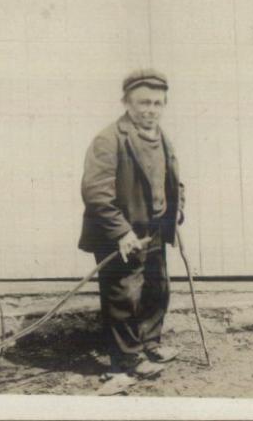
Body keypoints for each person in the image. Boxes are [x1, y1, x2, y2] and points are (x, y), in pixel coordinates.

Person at [78, 69, 185, 396]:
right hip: (121, 236)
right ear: (127, 102)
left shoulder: (161, 135)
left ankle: (149, 344)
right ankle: (125, 361)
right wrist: (121, 232)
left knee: (156, 289)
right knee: (124, 297)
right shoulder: (109, 139)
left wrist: (177, 206)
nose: (150, 110)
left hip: (154, 230)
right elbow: (96, 192)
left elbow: (173, 177)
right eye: (143, 103)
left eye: (157, 103)